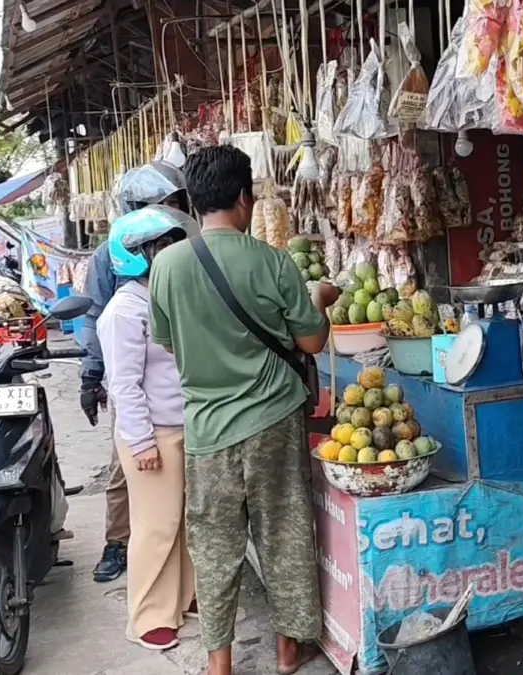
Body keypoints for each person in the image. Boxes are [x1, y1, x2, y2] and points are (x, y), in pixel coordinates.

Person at [149, 145, 337, 675]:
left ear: (193, 201)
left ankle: (219, 663)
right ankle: (286, 650)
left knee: (213, 546)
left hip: (207, 428)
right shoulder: (273, 263)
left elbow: (168, 344)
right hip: (274, 420)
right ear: (242, 197)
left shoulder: (165, 267)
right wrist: (319, 300)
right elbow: (312, 343)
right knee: (284, 530)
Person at [80, 161, 190, 583]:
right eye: (159, 204)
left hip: (179, 391)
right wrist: (92, 374)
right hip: (135, 384)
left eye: (174, 202)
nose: (169, 210)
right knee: (124, 468)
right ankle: (117, 542)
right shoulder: (115, 254)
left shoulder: (184, 241)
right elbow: (96, 316)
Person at [97, 204, 196, 651]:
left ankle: (181, 600)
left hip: (185, 424)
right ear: (136, 254)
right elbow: (123, 384)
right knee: (157, 525)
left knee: (185, 522)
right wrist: (140, 443)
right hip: (152, 432)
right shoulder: (123, 312)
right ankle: (148, 617)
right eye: (161, 248)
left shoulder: (166, 297)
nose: (170, 254)